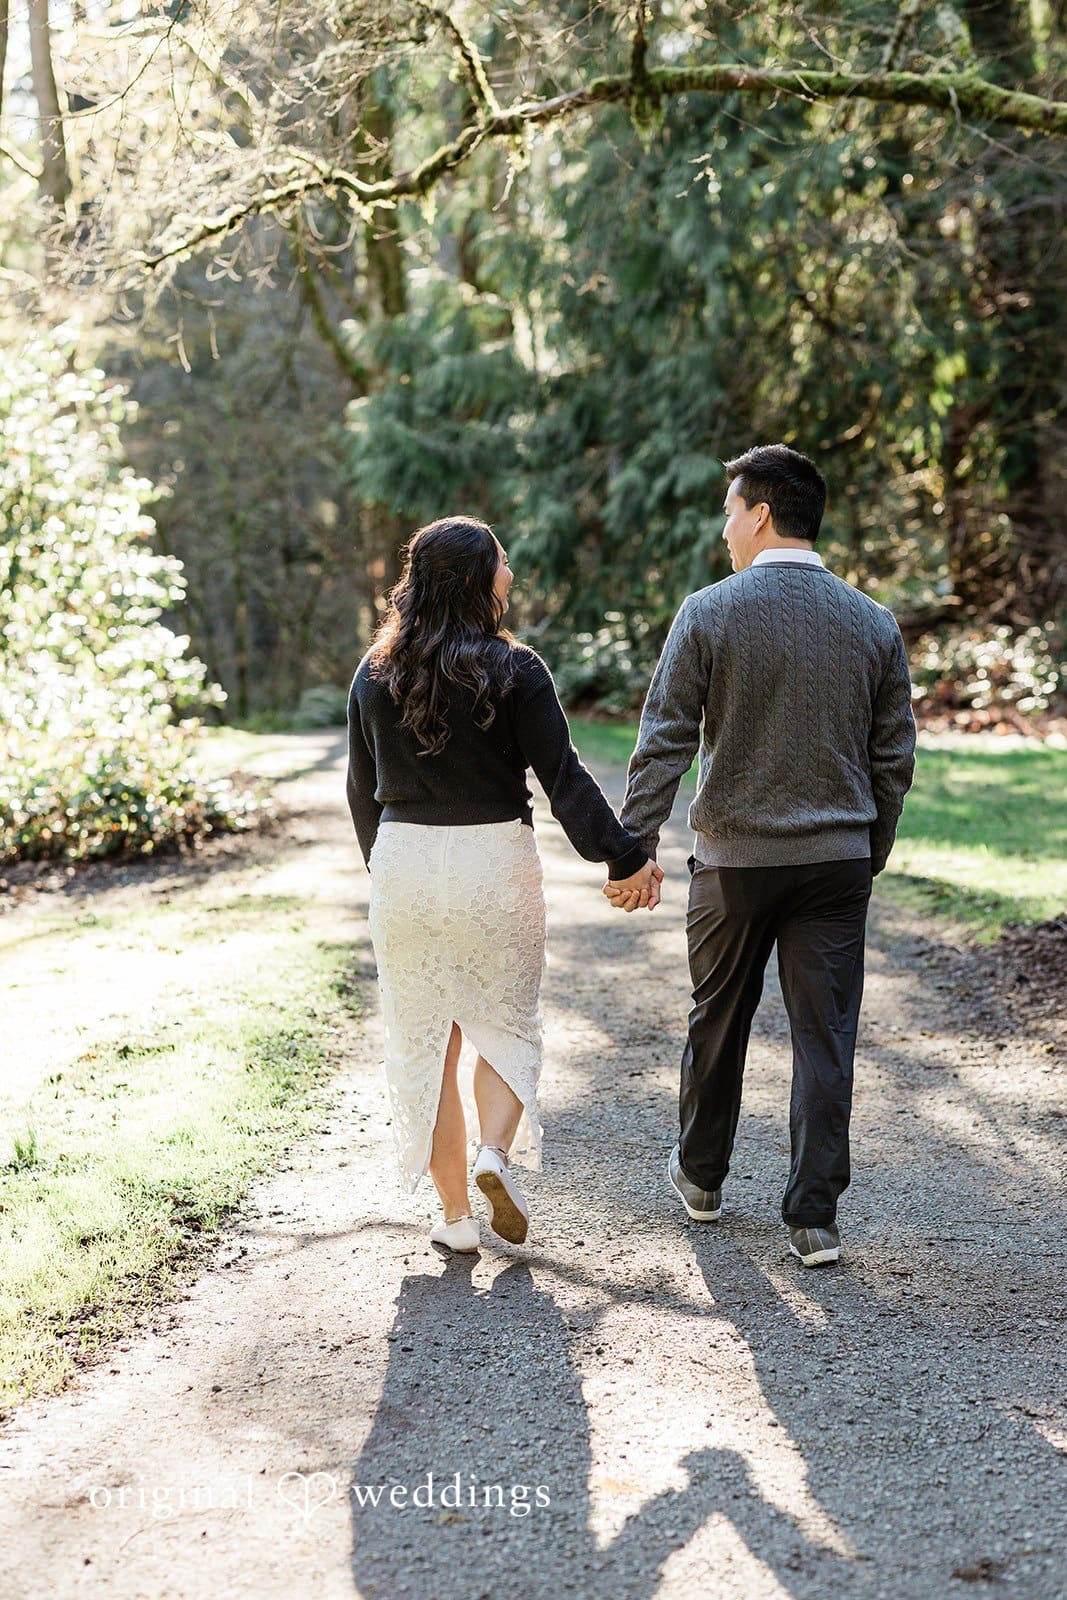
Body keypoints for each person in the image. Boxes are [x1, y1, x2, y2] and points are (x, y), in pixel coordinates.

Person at [606, 445, 916, 1267]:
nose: (724, 528)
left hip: (734, 864)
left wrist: (633, 849)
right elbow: (894, 758)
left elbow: (663, 740)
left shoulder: (707, 611)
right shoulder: (873, 621)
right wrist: (866, 847)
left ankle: (701, 1178)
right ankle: (812, 1217)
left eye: (729, 512)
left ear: (762, 514)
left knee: (718, 1019)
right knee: (826, 1037)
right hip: (835, 865)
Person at [346, 516, 662, 1253]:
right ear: (475, 578)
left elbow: (363, 792)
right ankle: (495, 1154)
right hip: (494, 864)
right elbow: (564, 780)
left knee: (428, 1045)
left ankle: (455, 1219)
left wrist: (388, 871)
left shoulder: (373, 671)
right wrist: (622, 858)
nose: (511, 575)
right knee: (506, 1024)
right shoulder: (515, 668)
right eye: (503, 564)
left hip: (405, 866)